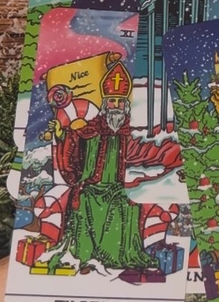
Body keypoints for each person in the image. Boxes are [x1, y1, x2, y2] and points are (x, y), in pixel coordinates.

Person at [52, 60, 159, 272]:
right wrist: (61, 134)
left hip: (121, 186)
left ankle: (118, 256)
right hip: (93, 185)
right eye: (112, 101)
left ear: (126, 105)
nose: (116, 106)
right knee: (83, 200)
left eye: (120, 102)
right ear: (105, 103)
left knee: (128, 204)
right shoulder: (93, 127)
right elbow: (74, 143)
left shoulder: (133, 130)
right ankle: (84, 256)